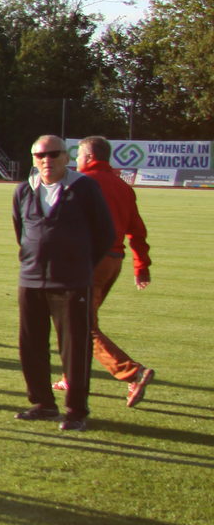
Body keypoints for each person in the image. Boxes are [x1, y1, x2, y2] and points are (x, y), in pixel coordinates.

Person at [12, 135, 115, 432]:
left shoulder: (84, 188)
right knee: (31, 345)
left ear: (66, 157)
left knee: (74, 348)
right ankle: (43, 404)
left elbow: (105, 233)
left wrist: (80, 265)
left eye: (54, 154)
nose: (47, 160)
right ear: (33, 158)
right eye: (40, 155)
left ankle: (76, 410)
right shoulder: (23, 190)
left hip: (72, 282)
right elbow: (21, 231)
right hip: (31, 279)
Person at [71, 137, 156, 407]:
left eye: (78, 156)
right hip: (113, 262)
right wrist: (141, 266)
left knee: (80, 323)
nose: (76, 160)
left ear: (87, 156)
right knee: (81, 320)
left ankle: (132, 372)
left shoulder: (81, 183)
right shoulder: (122, 186)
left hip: (89, 262)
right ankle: (70, 376)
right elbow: (138, 231)